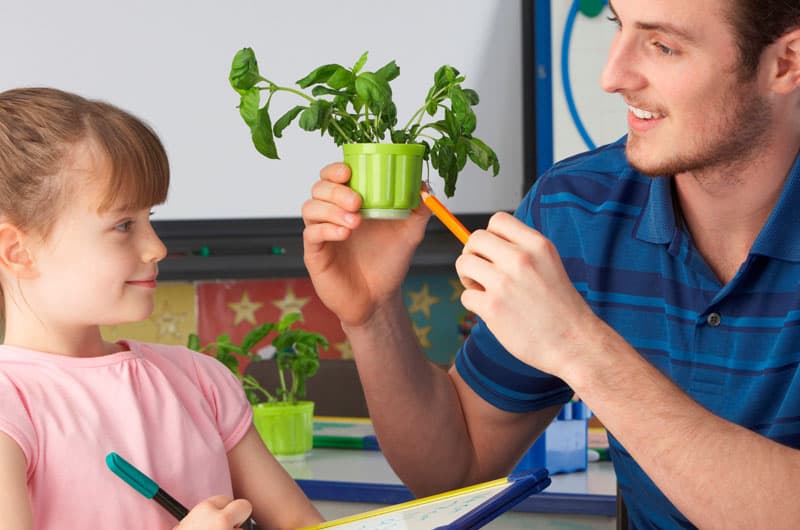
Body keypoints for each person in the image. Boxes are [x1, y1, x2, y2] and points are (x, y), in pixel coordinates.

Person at [301, 0, 800, 528]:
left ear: (785, 63)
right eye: (617, 25)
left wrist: (578, 346)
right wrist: (373, 313)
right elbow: (455, 470)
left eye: (663, 46)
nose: (613, 76)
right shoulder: (576, 207)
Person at [0, 88, 323, 530]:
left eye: (150, 218)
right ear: (17, 251)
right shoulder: (10, 405)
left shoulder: (201, 381)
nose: (156, 247)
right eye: (123, 225)